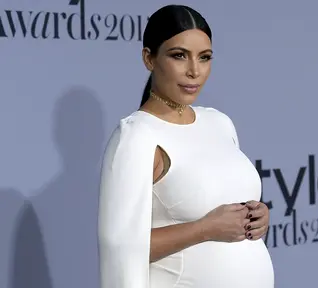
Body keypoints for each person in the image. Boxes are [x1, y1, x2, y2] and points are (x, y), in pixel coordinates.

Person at [98, 4, 274, 288]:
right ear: (149, 58)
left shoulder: (219, 123)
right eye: (179, 56)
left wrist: (255, 219)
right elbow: (120, 249)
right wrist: (205, 229)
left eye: (204, 58)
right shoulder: (137, 137)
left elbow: (225, 203)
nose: (194, 71)